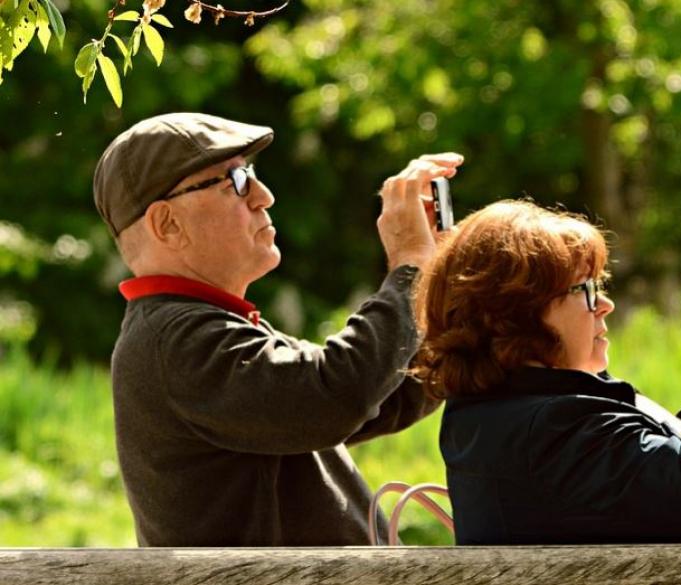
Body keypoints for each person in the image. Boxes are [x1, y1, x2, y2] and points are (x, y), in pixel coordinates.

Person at [92, 112, 461, 546]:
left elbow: (388, 396)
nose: (263, 196)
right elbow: (338, 393)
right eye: (236, 181)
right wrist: (410, 265)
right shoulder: (177, 340)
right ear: (167, 224)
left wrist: (442, 290)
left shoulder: (194, 326)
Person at [412, 200, 681, 544]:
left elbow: (655, 470)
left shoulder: (507, 421)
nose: (606, 305)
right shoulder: (550, 432)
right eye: (586, 290)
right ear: (516, 312)